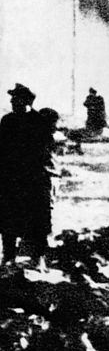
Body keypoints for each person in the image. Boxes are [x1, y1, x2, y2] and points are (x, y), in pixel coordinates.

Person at [0, 84, 56, 265]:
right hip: (11, 178)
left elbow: (46, 150)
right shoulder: (7, 120)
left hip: (33, 178)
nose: (11, 101)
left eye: (15, 98)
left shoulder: (39, 122)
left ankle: (39, 258)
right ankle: (8, 257)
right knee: (8, 218)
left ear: (26, 101)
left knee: (37, 219)